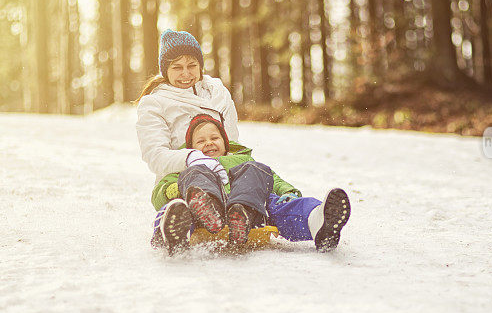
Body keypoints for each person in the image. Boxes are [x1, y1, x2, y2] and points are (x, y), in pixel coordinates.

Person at [151, 114, 351, 253]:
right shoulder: (187, 166)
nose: (209, 143)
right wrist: (174, 188)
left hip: (252, 209)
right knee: (177, 207)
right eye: (200, 141)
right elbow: (158, 194)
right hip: (203, 212)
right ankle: (174, 231)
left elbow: (273, 178)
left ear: (225, 143)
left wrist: (288, 192)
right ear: (190, 149)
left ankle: (317, 222)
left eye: (214, 138)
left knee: (264, 182)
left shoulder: (244, 161)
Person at [135, 29, 239, 189]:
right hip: (179, 182)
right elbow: (155, 155)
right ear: (165, 71)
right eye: (177, 67)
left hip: (225, 177)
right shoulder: (154, 103)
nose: (186, 73)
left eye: (192, 65)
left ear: (200, 66)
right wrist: (191, 158)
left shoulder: (218, 93)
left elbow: (232, 143)